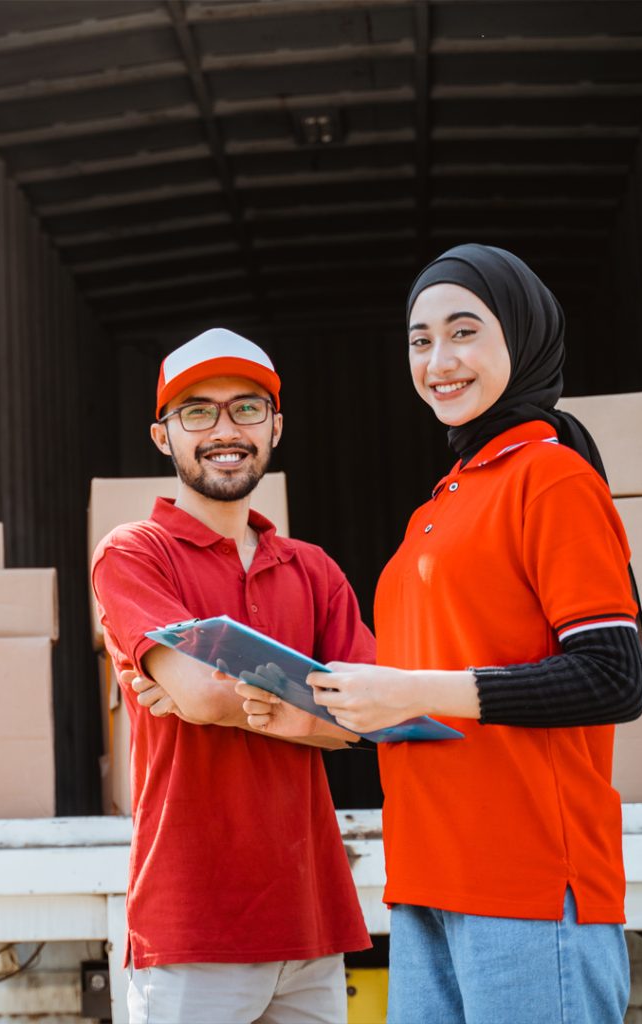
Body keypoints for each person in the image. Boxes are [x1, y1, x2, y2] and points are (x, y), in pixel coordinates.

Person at [239, 245, 642, 1024]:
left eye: (464, 332)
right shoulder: (439, 507)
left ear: (521, 340)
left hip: (527, 884)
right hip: (428, 880)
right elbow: (441, 712)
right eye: (420, 340)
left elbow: (615, 677)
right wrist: (332, 718)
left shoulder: (553, 478)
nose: (439, 360)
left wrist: (404, 689)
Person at [91, 327, 372, 1024]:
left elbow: (368, 713)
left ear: (275, 427)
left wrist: (233, 697)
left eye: (246, 408)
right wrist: (312, 707)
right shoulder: (133, 554)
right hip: (192, 927)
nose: (224, 430)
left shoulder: (315, 570)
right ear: (164, 436)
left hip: (312, 921)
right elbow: (197, 691)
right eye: (197, 411)